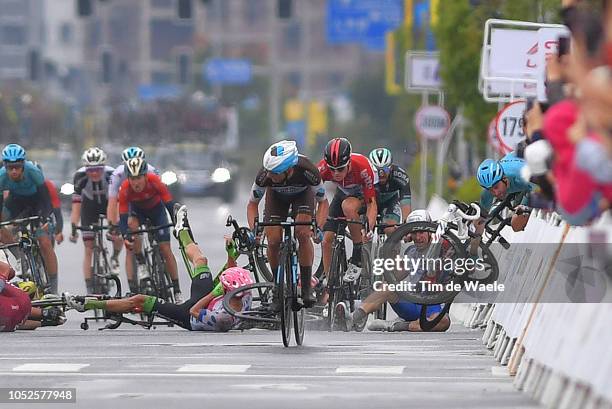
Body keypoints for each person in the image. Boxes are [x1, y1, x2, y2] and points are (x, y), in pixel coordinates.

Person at [64, 205, 253, 332]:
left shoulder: (223, 318)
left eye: (225, 287)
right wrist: (231, 255)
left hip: (189, 315)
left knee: (138, 300)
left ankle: (86, 304)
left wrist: (214, 293)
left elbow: (195, 310)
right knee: (201, 260)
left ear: (227, 290)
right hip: (212, 300)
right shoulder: (244, 294)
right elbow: (230, 275)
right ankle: (181, 231)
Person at [246, 140, 329, 309]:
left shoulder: (308, 171)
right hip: (276, 198)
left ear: (289, 169)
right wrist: (255, 230)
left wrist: (318, 228)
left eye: (274, 173)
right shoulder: (265, 175)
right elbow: (252, 204)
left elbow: (323, 202)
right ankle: (277, 290)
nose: (269, 176)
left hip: (302, 196)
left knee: (302, 232)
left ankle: (306, 287)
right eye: (268, 172)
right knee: (274, 240)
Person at [338, 210, 451, 332]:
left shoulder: (442, 247)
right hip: (413, 304)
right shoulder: (412, 252)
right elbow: (395, 277)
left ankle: (394, 325)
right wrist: (397, 240)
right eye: (414, 233)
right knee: (389, 285)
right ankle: (353, 318)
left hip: (434, 307)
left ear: (430, 231)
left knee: (444, 322)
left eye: (422, 232)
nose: (418, 238)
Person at [118, 157, 182, 302]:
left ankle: (177, 289)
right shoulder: (125, 189)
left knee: (165, 249)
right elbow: (122, 217)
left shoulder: (154, 181)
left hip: (157, 212)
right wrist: (126, 237)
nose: (136, 183)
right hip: (137, 212)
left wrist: (176, 225)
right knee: (132, 226)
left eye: (139, 178)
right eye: (132, 178)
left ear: (145, 176)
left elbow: (169, 204)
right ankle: (141, 262)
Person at [318, 138, 378, 285]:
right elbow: (314, 197)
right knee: (326, 240)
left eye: (340, 169)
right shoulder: (323, 169)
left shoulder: (362, 167)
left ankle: (358, 256)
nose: (336, 173)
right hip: (343, 192)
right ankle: (330, 284)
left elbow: (372, 204)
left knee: (349, 206)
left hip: (364, 194)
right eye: (332, 169)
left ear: (349, 163)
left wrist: (369, 228)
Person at [0, 144, 59, 294]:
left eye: (18, 167)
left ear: (23, 165)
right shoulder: (1, 176)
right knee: (1, 229)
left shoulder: (33, 172)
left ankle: (54, 287)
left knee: (44, 241)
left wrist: (44, 219)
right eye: (10, 167)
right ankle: (20, 257)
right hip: (16, 202)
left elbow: (46, 199)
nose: (14, 171)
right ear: (5, 166)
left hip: (37, 202)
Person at [69, 147, 123, 294]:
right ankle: (89, 288)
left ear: (103, 167)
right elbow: (76, 205)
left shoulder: (111, 174)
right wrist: (74, 227)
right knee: (88, 248)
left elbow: (117, 203)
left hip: (109, 204)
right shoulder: (80, 177)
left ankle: (115, 257)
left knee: (118, 234)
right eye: (90, 170)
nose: (94, 173)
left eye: (98, 169)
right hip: (89, 207)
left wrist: (115, 225)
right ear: (85, 169)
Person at [106, 146, 157, 293]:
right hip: (127, 204)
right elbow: (112, 202)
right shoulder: (117, 174)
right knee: (130, 242)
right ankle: (133, 287)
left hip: (147, 202)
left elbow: (161, 196)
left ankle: (159, 262)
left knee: (159, 239)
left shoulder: (151, 171)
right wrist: (112, 224)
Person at [476, 153, 535, 232]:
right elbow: (479, 222)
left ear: (504, 178)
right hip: (522, 177)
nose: (495, 193)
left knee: (517, 222)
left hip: (534, 170)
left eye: (496, 187)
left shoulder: (520, 175)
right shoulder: (488, 190)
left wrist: (524, 207)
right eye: (490, 190)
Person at [368, 147, 412, 232]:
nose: (381, 174)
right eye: (377, 170)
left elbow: (406, 206)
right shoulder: (366, 175)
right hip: (370, 202)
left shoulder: (401, 176)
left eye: (385, 169)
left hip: (390, 202)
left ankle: (393, 244)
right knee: (365, 232)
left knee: (391, 230)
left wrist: (407, 230)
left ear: (391, 167)